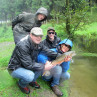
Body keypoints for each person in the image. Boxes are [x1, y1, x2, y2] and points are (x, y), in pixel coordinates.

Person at [7, 27, 60, 94]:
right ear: (30, 35)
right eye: (36, 35)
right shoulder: (23, 45)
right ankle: (21, 84)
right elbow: (29, 65)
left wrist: (60, 56)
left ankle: (32, 81)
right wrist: (44, 67)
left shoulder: (39, 43)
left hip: (27, 63)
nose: (39, 38)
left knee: (40, 65)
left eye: (40, 36)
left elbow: (48, 51)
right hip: (15, 68)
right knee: (30, 75)